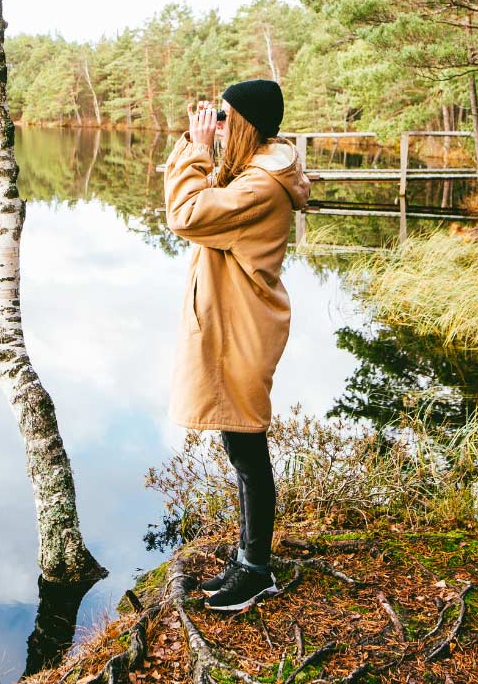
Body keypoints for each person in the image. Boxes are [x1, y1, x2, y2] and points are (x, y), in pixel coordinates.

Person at [163, 78, 311, 611]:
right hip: (234, 324)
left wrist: (200, 150)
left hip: (242, 330)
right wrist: (199, 144)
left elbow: (187, 214)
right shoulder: (252, 170)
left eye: (224, 118)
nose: (216, 126)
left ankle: (255, 570)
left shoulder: (260, 187)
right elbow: (203, 196)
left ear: (246, 124)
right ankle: (251, 558)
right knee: (240, 444)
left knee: (247, 447)